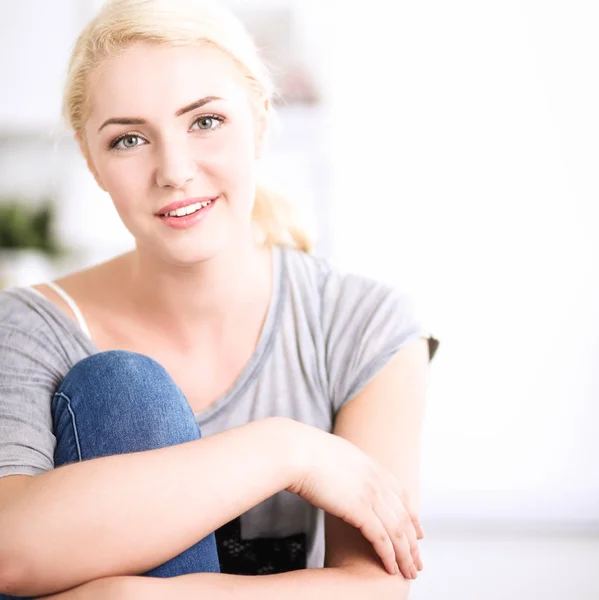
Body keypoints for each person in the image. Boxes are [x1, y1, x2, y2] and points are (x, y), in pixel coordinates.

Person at [0, 0, 439, 598]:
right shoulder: (30, 326)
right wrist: (286, 451)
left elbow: (374, 587)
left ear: (259, 117)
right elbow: (8, 550)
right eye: (129, 139)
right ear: (91, 160)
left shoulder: (360, 324)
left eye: (205, 121)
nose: (174, 170)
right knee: (123, 388)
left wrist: (135, 595)